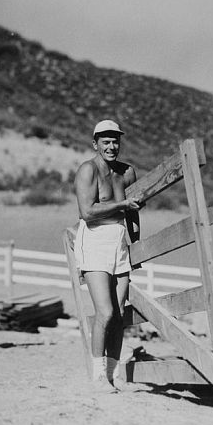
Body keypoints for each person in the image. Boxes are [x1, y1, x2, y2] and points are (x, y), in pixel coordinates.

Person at [74, 119, 141, 392]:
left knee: (120, 314)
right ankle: (98, 377)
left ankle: (112, 375)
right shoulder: (87, 170)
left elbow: (133, 214)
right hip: (95, 241)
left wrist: (136, 244)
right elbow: (86, 212)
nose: (112, 146)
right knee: (105, 311)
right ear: (95, 144)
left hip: (119, 243)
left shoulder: (126, 173)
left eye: (115, 141)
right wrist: (122, 204)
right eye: (106, 142)